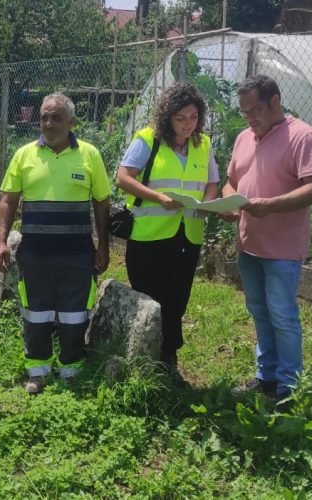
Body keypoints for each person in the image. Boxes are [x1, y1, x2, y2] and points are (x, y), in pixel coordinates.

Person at [220, 75, 312, 403]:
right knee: (258, 310)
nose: (250, 118)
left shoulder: (303, 136)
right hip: (249, 243)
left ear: (275, 102)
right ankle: (265, 376)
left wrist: (270, 206)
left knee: (282, 313)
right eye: (244, 112)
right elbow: (230, 181)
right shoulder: (244, 138)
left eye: (255, 110)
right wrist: (229, 203)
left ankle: (289, 387)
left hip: (283, 248)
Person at [0, 93, 111, 395]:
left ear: (71, 122)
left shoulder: (90, 155)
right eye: (44, 117)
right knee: (36, 314)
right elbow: (8, 199)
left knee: (75, 314)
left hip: (77, 253)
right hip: (35, 253)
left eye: (56, 117)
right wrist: (0, 241)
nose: (48, 123)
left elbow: (101, 201)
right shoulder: (24, 155)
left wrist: (103, 245)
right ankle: (38, 371)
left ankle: (70, 369)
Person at [115, 83, 220, 379]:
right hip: (150, 235)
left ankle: (168, 361)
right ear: (167, 117)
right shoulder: (148, 139)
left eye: (194, 117)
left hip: (188, 234)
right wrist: (158, 198)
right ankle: (141, 359)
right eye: (181, 118)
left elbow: (212, 182)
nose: (189, 125)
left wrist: (207, 203)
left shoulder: (203, 144)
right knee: (150, 298)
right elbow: (123, 178)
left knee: (177, 299)